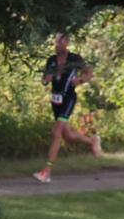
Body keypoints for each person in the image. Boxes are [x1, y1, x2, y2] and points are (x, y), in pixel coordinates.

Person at [32, 33, 102, 184]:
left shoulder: (74, 59)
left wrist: (80, 80)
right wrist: (46, 79)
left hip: (68, 98)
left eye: (60, 42)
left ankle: (47, 171)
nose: (57, 45)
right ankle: (92, 141)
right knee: (68, 136)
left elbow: (89, 73)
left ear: (66, 43)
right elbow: (44, 79)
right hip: (55, 100)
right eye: (55, 42)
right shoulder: (51, 60)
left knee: (56, 132)